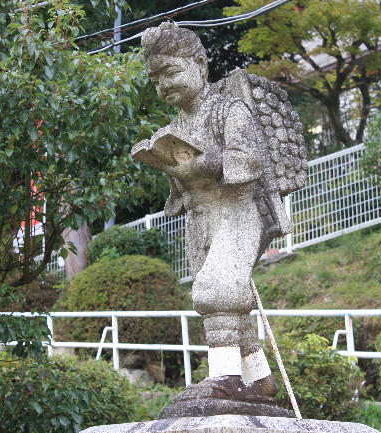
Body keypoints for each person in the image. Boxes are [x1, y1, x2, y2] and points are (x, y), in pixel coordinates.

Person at [139, 22, 283, 406]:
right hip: (199, 218)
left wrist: (199, 165)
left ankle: (224, 379)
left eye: (170, 72)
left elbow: (247, 161)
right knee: (226, 301)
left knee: (217, 289)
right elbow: (182, 186)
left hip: (236, 211)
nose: (163, 85)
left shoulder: (229, 110)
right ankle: (260, 380)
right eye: (155, 79)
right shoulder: (174, 127)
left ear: (200, 65)